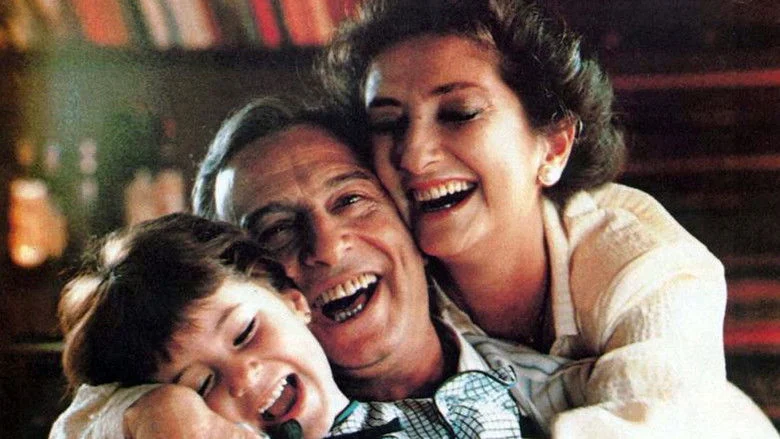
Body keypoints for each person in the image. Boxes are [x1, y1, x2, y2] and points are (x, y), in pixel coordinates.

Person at [320, 0, 778, 437]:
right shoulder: (373, 280)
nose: (414, 156)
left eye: (459, 114)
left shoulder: (648, 266)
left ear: (554, 147)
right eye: (387, 124)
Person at [50, 98, 592, 439]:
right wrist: (154, 413)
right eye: (276, 231)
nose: (327, 248)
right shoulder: (197, 411)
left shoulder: (569, 391)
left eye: (351, 200)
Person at [58, 212, 533, 439]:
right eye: (202, 384)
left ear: (292, 300)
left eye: (244, 333)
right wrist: (161, 412)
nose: (243, 378)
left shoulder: (462, 412)